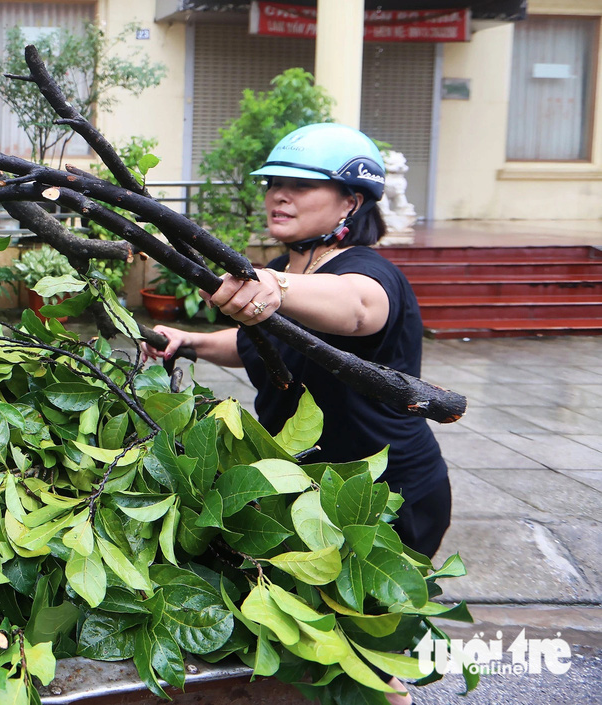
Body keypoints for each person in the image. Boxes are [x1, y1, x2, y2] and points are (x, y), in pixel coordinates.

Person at [147, 122, 445, 703]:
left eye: (300, 185)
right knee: (312, 654)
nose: (279, 195)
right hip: (309, 489)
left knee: (362, 664)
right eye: (273, 183)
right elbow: (264, 341)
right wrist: (188, 340)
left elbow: (357, 310)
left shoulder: (367, 275)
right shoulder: (291, 272)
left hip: (383, 497)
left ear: (350, 201)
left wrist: (271, 285)